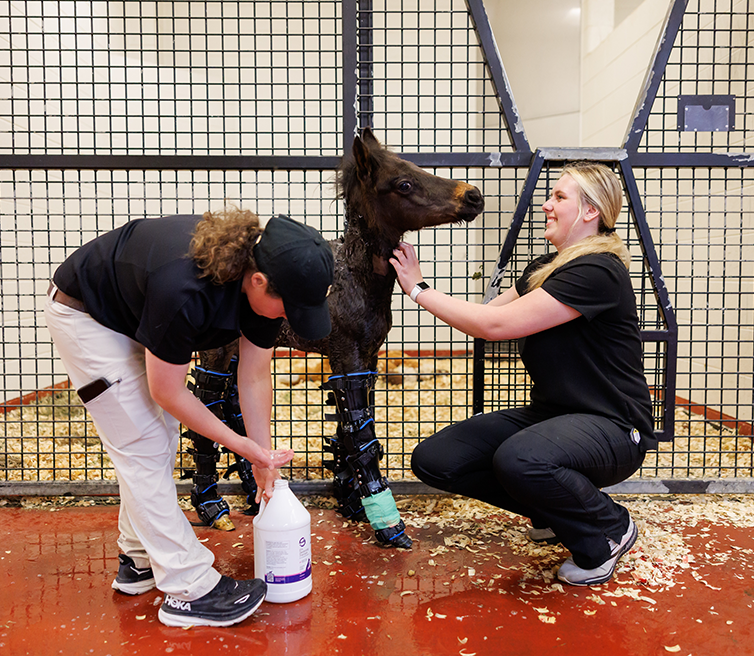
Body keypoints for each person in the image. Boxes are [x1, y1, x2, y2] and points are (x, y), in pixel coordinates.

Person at [43, 209, 334, 626]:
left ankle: (139, 559)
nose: (290, 317)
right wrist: (240, 445)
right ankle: (189, 588)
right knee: (141, 444)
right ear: (257, 281)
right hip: (87, 317)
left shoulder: (263, 281)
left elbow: (253, 376)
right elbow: (168, 391)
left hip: (132, 314)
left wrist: (262, 457)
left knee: (157, 437)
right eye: (289, 307)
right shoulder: (185, 289)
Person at [389, 162, 655, 586]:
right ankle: (556, 511)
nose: (547, 205)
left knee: (520, 459)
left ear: (590, 212)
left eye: (560, 197)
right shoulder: (546, 267)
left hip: (614, 428)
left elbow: (494, 328)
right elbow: (488, 316)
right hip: (556, 416)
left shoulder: (598, 271)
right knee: (437, 461)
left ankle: (607, 528)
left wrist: (420, 289)